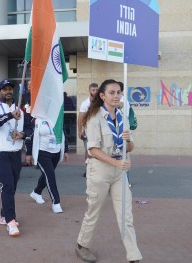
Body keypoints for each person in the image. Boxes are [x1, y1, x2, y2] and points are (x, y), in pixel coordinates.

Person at [75, 79, 142, 263]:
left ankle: (133, 256)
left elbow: (130, 147)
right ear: (102, 96)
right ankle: (82, 245)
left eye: (118, 92)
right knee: (94, 211)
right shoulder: (93, 118)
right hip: (100, 171)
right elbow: (93, 150)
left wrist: (127, 141)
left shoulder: (123, 116)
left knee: (125, 215)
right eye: (111, 92)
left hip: (120, 173)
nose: (116, 95)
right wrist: (115, 162)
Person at [0, 79, 33, 236]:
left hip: (15, 152)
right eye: (4, 89)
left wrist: (22, 134)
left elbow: (30, 128)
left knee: (12, 185)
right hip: (0, 152)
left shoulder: (20, 108)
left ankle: (4, 214)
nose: (8, 91)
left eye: (10, 89)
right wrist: (9, 115)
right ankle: (11, 221)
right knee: (7, 185)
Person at [28, 117, 69, 213]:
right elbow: (30, 136)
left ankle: (37, 192)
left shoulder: (57, 117)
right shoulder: (37, 119)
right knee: (50, 176)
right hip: (42, 152)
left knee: (47, 174)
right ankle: (56, 202)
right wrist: (29, 153)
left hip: (56, 151)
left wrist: (66, 150)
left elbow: (63, 133)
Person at [78, 83, 99, 177]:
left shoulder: (102, 102)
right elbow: (80, 118)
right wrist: (80, 131)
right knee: (88, 150)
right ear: (89, 91)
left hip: (99, 131)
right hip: (88, 131)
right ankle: (88, 169)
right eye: (93, 90)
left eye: (96, 90)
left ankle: (98, 170)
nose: (95, 92)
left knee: (99, 150)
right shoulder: (85, 103)